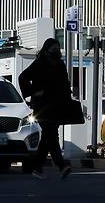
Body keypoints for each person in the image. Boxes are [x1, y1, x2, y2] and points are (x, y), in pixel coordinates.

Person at [18, 38, 72, 180]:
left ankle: (37, 168)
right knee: (52, 136)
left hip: (56, 106)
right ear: (46, 50)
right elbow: (22, 77)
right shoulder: (39, 64)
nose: (56, 52)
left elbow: (64, 85)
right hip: (42, 107)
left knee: (48, 137)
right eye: (53, 49)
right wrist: (33, 92)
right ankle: (61, 166)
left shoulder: (60, 65)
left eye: (57, 49)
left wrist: (67, 100)